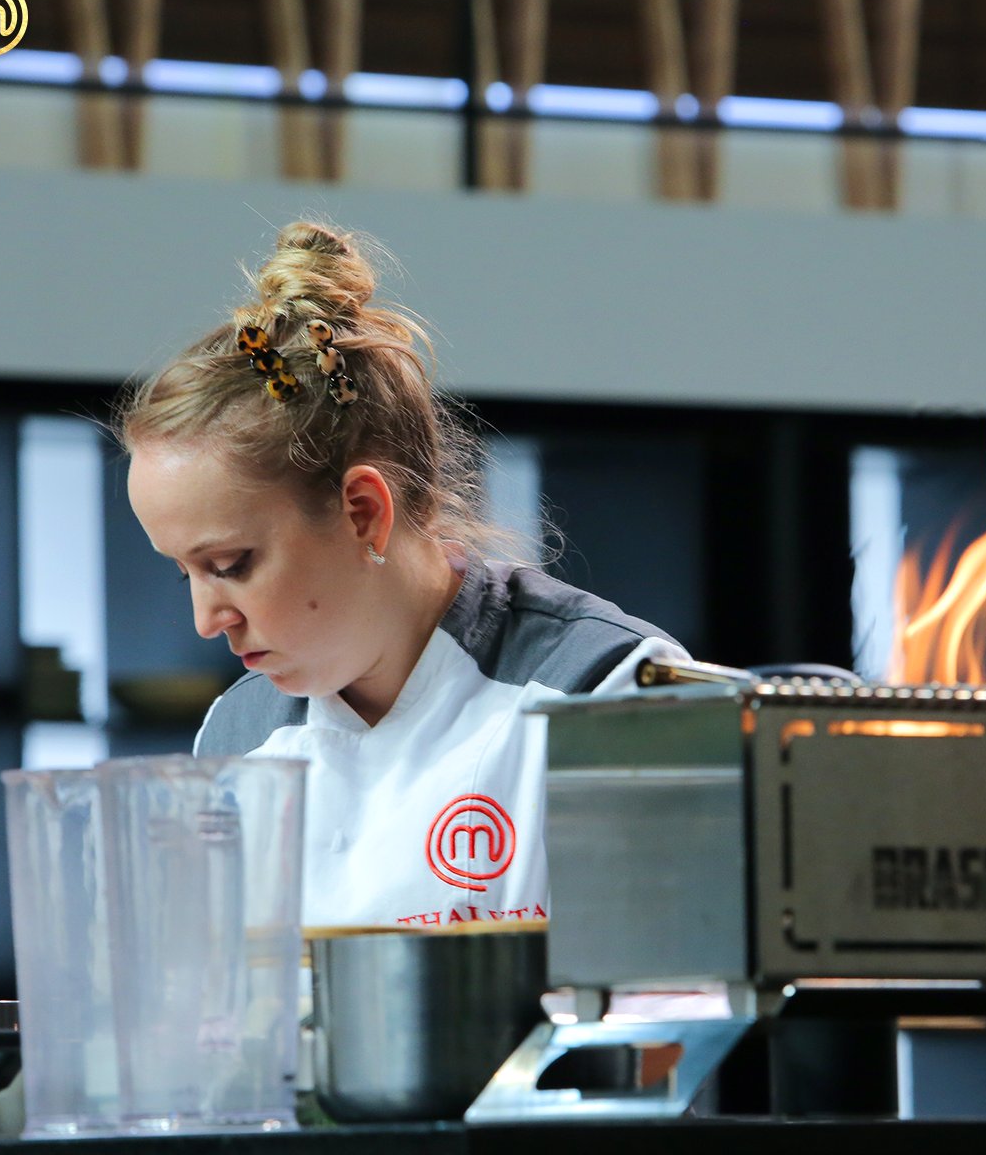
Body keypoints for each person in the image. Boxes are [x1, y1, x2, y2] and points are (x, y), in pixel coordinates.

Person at [119, 219, 691, 930]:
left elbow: (679, 1024)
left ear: (363, 511)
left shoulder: (609, 695)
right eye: (186, 576)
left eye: (231, 566)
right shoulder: (240, 731)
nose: (209, 620)